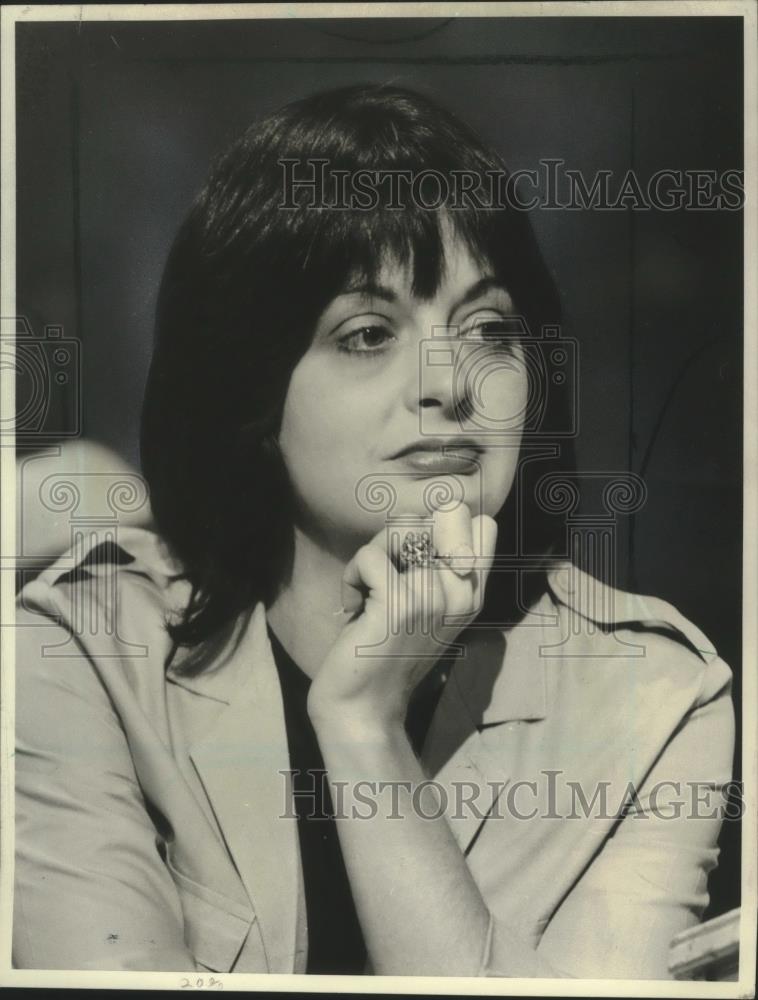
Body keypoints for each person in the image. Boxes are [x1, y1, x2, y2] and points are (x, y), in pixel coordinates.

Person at [13, 84, 734, 979]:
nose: (448, 384)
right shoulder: (82, 652)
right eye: (366, 333)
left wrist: (363, 728)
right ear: (250, 398)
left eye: (487, 329)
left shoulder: (659, 699)